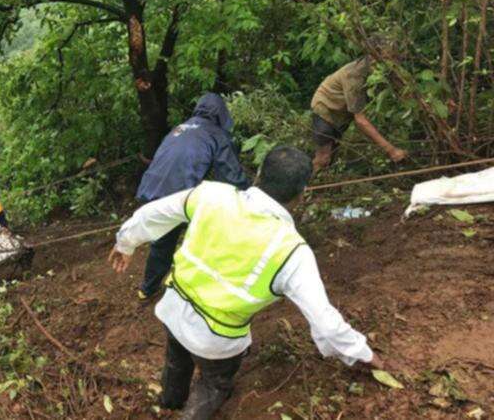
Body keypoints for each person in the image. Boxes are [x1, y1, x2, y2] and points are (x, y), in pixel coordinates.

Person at [109, 146, 383, 420]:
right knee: (214, 384)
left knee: (176, 359)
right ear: (302, 193)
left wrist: (126, 243)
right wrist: (361, 353)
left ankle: (169, 402)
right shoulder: (292, 251)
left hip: (173, 308)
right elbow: (324, 319)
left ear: (260, 174)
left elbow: (153, 214)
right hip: (217, 340)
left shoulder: (211, 194)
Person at [134, 92, 250, 300]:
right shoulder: (215, 133)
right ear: (221, 114)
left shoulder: (178, 129)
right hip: (178, 194)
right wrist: (248, 194)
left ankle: (147, 290)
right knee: (207, 231)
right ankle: (197, 285)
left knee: (163, 242)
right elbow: (231, 176)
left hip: (150, 190)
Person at [310, 53, 408, 173]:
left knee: (332, 155)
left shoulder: (374, 71)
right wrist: (391, 150)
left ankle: (324, 182)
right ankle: (308, 188)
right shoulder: (354, 76)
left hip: (343, 113)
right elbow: (360, 120)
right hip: (326, 108)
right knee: (323, 158)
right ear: (374, 57)